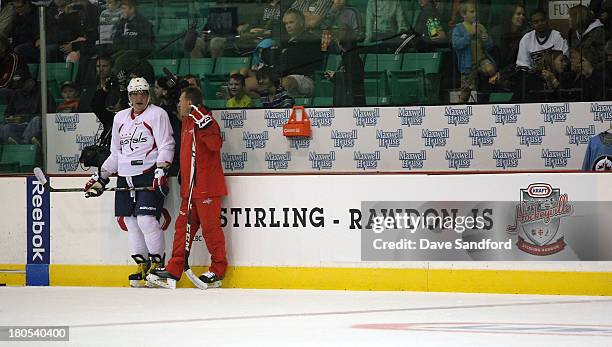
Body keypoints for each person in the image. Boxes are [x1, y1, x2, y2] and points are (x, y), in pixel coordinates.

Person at [83, 77, 175, 288]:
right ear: (128, 97)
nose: (138, 97)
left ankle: (158, 266)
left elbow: (166, 144)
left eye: (142, 92)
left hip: (148, 172)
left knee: (146, 220)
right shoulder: (120, 118)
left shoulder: (157, 114)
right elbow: (116, 153)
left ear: (148, 94)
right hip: (125, 175)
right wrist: (101, 176)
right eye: (134, 94)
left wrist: (161, 169)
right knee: (131, 222)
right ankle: (142, 265)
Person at [147, 86, 228, 289]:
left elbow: (215, 145)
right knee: (182, 229)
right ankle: (174, 269)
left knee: (211, 230)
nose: (178, 104)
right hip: (190, 189)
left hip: (207, 187)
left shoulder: (205, 121)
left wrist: (203, 119)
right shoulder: (186, 123)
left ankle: (218, 271)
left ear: (190, 103)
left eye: (181, 101)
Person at [451, 0, 495, 103]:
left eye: (476, 11)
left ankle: (485, 102)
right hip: (468, 65)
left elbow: (489, 47)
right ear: (463, 14)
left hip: (481, 61)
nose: (475, 14)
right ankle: (460, 108)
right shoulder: (458, 29)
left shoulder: (480, 27)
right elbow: (457, 45)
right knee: (466, 92)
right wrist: (470, 34)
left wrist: (486, 40)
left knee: (490, 70)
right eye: (472, 11)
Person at [489, 3, 527, 70]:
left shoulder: (524, 34)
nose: (522, 17)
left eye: (523, 14)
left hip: (513, 73)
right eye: (518, 14)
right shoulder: (496, 32)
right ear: (510, 15)